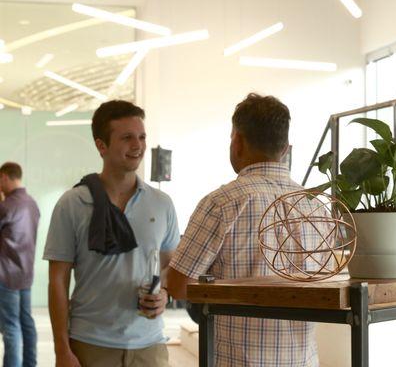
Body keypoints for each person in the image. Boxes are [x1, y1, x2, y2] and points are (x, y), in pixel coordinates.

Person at [167, 93, 319, 367]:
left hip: (238, 360)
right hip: (302, 360)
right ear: (286, 148)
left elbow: (178, 286)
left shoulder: (223, 203)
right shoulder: (315, 207)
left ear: (237, 141)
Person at [44, 100, 180, 367]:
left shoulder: (162, 203)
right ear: (101, 145)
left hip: (150, 347)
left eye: (141, 137)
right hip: (90, 345)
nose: (138, 145)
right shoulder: (72, 203)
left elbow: (169, 266)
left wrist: (164, 293)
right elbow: (58, 281)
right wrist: (62, 349)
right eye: (127, 137)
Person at [0, 162, 40, 367]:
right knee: (26, 324)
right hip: (25, 274)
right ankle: (30, 364)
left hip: (6, 275)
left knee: (10, 328)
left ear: (5, 177)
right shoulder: (31, 203)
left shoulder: (6, 206)